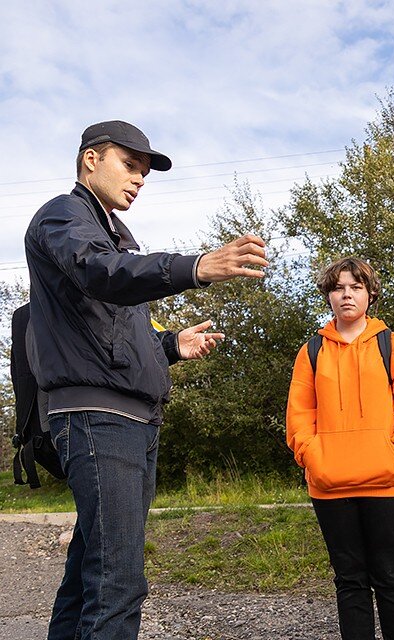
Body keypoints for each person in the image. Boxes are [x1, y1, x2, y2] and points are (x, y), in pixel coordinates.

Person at [24, 120, 269, 640]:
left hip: (132, 420)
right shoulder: (64, 217)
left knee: (89, 574)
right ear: (91, 159)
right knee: (118, 584)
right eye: (129, 165)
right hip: (99, 419)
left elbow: (114, 335)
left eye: (144, 172)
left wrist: (170, 345)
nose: (139, 179)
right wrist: (197, 265)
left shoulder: (115, 237)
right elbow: (101, 273)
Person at [286, 257, 394, 640]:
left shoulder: (391, 344)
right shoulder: (311, 351)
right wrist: (313, 458)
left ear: (370, 294)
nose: (346, 295)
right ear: (328, 296)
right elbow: (299, 416)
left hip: (389, 481)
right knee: (349, 581)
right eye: (338, 288)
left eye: (355, 287)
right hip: (331, 484)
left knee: (391, 576)